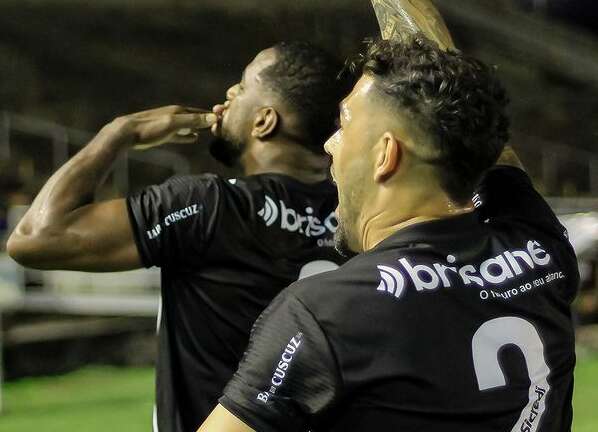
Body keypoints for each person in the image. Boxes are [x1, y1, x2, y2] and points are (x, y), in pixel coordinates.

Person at [196, 36, 579, 432]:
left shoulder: (324, 314)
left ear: (385, 155)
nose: (329, 144)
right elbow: (488, 144)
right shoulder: (540, 248)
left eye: (342, 125)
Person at [7, 41, 350, 432]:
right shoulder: (357, 220)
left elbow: (35, 237)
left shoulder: (210, 205)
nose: (228, 96)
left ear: (264, 122)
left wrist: (121, 132)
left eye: (241, 87)